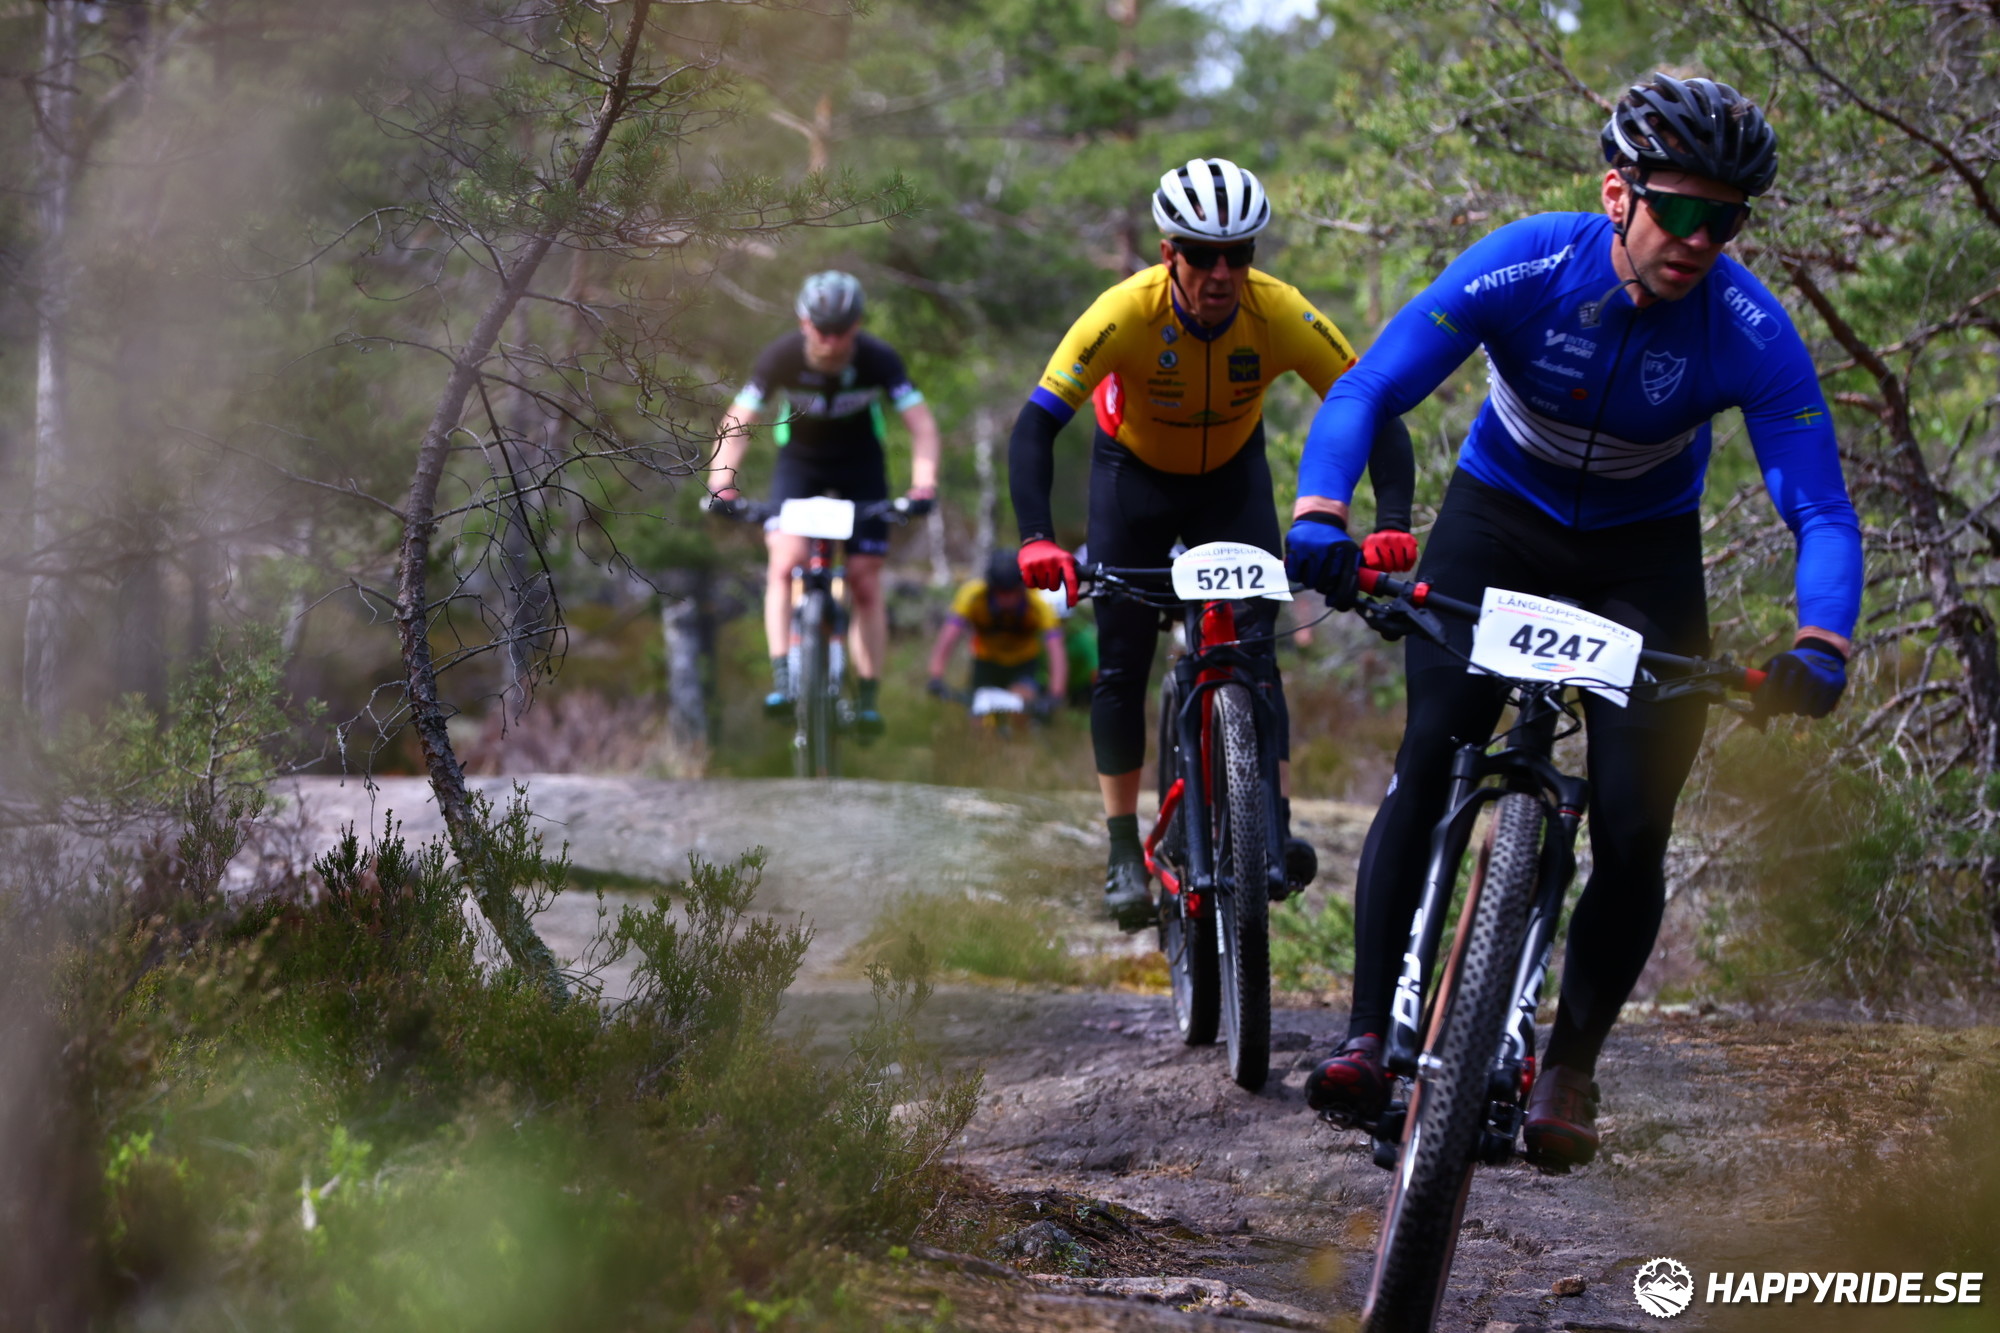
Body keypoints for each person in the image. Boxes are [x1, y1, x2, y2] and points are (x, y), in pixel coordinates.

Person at [1285, 75, 1863, 1169]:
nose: (1699, 240)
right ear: (1615, 194)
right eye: (1677, 210)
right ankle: (1366, 1031)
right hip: (1497, 522)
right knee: (1432, 751)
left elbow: (1820, 508)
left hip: (1642, 558)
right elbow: (1367, 388)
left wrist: (1820, 639)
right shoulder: (1529, 262)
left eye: (1726, 221)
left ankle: (1570, 1067)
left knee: (1636, 824)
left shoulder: (1748, 327)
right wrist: (1321, 511)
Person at [1009, 157, 1418, 931]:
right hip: (1131, 479)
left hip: (1230, 478)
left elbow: (1371, 405)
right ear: (1171, 254)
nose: (1222, 273)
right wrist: (1037, 538)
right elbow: (1036, 424)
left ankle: (1275, 821)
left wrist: (1392, 520)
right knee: (1122, 658)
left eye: (1239, 255)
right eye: (1203, 255)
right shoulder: (1125, 312)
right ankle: (1123, 848)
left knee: (1256, 647)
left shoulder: (1279, 312)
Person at [709, 271, 941, 737]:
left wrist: (923, 487)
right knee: (784, 562)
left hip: (861, 468)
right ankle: (783, 680)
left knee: (865, 580)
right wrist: (721, 484)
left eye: (841, 331)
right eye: (822, 329)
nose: (831, 341)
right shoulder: (781, 356)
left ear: (857, 325)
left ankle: (868, 697)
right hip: (801, 465)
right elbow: (738, 420)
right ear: (804, 322)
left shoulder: (878, 358)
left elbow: (922, 425)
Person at [927, 551, 1069, 713]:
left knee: (1020, 706)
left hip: (1023, 664)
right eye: (1000, 592)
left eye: (1012, 592)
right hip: (986, 661)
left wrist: (1056, 694)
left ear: (1021, 588)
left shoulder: (1038, 604)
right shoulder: (972, 596)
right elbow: (948, 637)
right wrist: (936, 676)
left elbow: (1056, 650)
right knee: (980, 712)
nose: (1006, 599)